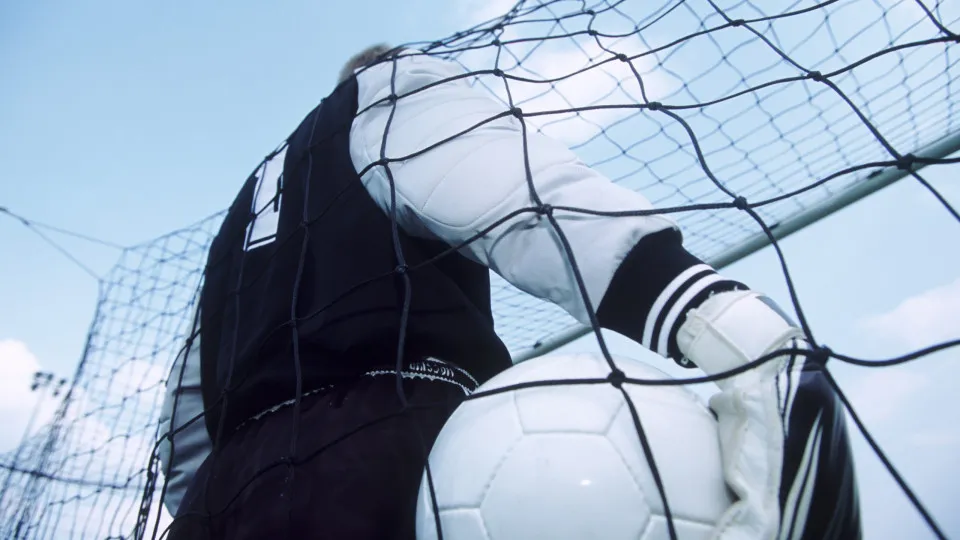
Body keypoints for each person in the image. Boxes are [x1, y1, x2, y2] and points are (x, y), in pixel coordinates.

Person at [157, 44, 861, 539]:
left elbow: (185, 424)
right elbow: (521, 197)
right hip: (384, 452)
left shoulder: (244, 210)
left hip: (218, 498)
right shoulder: (389, 89)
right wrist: (721, 319)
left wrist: (207, 503)